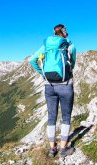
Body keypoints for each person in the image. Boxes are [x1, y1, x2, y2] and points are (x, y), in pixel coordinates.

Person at [29, 24, 77, 158]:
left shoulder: (46, 46)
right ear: (64, 32)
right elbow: (72, 63)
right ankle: (63, 149)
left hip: (49, 86)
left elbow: (32, 61)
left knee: (51, 117)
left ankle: (52, 149)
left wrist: (43, 74)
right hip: (65, 85)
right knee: (66, 116)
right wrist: (68, 70)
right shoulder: (69, 45)